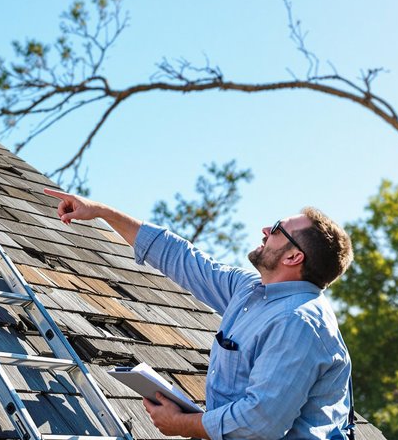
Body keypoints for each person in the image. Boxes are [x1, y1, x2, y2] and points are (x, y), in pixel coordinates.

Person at [43, 188, 355, 440]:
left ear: (293, 256)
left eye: (276, 229)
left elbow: (260, 424)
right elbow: (183, 259)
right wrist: (101, 211)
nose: (264, 230)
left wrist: (184, 424)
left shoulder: (297, 322)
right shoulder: (249, 291)